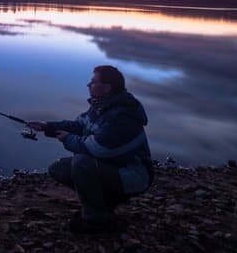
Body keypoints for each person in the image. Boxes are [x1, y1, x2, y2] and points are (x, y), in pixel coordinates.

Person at [28, 65, 154, 233]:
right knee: (58, 169)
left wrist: (68, 139)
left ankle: (97, 222)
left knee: (81, 163)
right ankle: (105, 203)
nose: (89, 85)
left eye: (94, 82)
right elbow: (80, 125)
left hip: (133, 175)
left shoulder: (123, 116)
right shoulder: (100, 106)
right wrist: (48, 127)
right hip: (113, 166)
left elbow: (99, 148)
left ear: (107, 87)